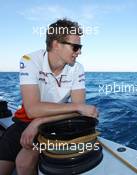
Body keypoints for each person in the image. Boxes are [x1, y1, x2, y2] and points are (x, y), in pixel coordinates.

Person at [0, 18, 98, 175]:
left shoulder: (77, 69)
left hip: (54, 125)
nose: (79, 52)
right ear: (56, 44)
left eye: (80, 47)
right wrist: (78, 106)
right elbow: (32, 110)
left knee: (24, 163)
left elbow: (82, 112)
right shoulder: (30, 60)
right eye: (75, 47)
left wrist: (39, 122)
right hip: (23, 121)